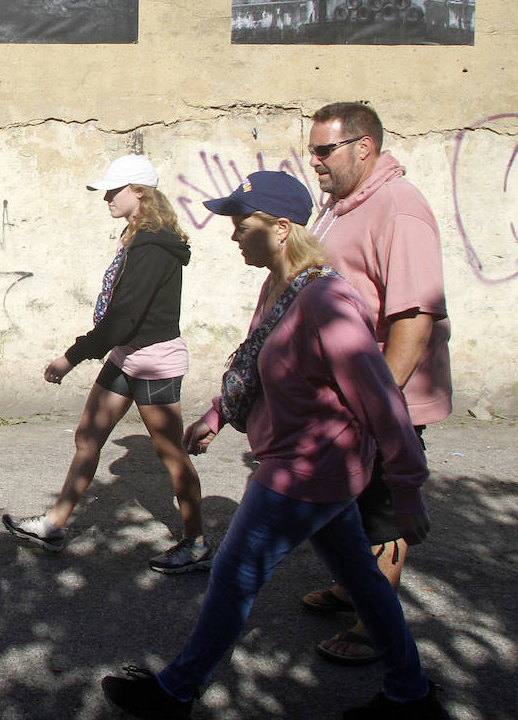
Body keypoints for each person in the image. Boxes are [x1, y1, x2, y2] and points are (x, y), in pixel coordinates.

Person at [102, 171, 448, 720]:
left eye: (243, 225)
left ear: (282, 228)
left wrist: (407, 491)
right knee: (362, 578)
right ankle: (412, 695)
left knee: (234, 575)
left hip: (307, 471)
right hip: (312, 468)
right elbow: (258, 359)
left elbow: (382, 400)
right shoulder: (281, 288)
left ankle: (175, 691)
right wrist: (220, 412)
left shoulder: (328, 302)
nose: (234, 235)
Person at [3, 154, 208, 573]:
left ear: (139, 192)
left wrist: (70, 357)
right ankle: (53, 525)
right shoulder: (137, 237)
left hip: (153, 361)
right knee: (88, 435)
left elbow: (124, 318)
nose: (107, 198)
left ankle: (196, 544)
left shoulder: (152, 245)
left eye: (113, 191)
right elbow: (121, 320)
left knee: (170, 452)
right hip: (126, 354)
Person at [303, 102, 453, 666]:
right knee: (354, 493)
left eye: (324, 150)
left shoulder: (400, 208)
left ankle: (375, 622)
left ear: (363, 146)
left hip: (387, 392)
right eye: (312, 149)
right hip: (347, 390)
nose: (314, 160)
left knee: (383, 505)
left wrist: (380, 401)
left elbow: (413, 317)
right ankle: (353, 587)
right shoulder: (341, 206)